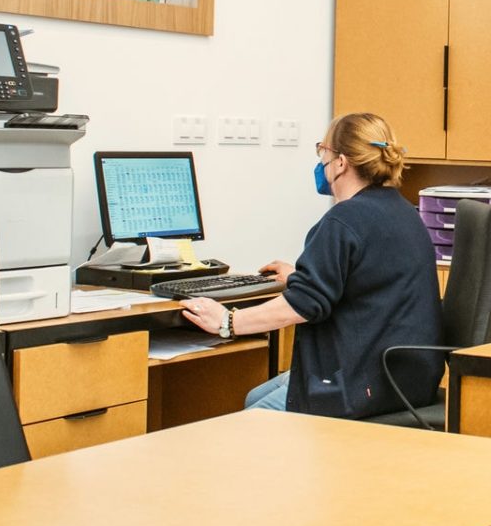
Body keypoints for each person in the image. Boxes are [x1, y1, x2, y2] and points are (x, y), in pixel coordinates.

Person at [180, 112, 443, 419]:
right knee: (255, 395)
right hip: (406, 378)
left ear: (341, 162)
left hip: (362, 383)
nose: (321, 164)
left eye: (323, 152)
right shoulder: (402, 211)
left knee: (254, 416)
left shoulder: (342, 222)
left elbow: (302, 306)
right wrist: (301, 277)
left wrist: (227, 322)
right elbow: (369, 280)